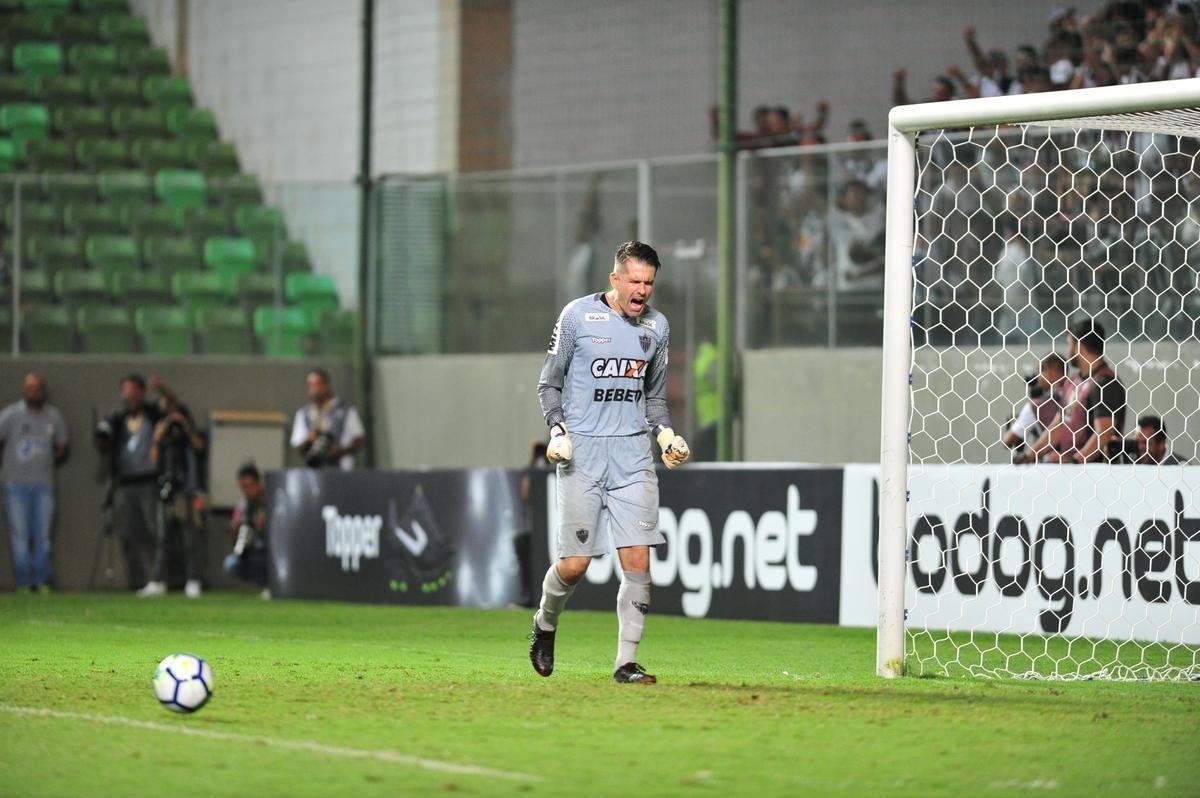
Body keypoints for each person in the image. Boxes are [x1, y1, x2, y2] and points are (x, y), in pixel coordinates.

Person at [530, 240, 690, 685]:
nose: (642, 291)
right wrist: (558, 431)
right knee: (575, 565)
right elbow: (549, 385)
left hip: (632, 456)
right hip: (582, 454)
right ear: (614, 279)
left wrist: (665, 435)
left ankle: (626, 663)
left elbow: (654, 397)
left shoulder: (657, 327)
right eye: (634, 281)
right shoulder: (577, 317)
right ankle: (545, 622)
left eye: (649, 283)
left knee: (638, 560)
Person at [137, 376, 207, 599]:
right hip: (165, 487)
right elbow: (152, 460)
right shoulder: (161, 431)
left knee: (189, 537)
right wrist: (158, 436)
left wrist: (184, 426)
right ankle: (158, 580)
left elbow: (199, 447)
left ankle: (193, 580)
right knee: (163, 536)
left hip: (185, 488)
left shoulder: (186, 430)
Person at [95, 374, 164, 590]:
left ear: (142, 392)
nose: (130, 394)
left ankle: (159, 579)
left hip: (149, 481)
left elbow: (171, 412)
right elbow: (102, 444)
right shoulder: (117, 418)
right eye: (126, 389)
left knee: (154, 531)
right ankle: (136, 581)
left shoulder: (153, 414)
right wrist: (102, 435)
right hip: (124, 483)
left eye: (134, 389)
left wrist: (163, 390)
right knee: (127, 533)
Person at [0, 373, 68, 592]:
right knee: (19, 536)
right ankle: (24, 582)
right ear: (24, 390)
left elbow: (61, 446)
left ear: (43, 390)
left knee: (43, 536)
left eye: (37, 387)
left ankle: (43, 581)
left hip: (44, 484)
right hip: (15, 484)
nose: (34, 391)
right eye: (30, 388)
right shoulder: (11, 415)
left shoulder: (53, 416)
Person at [1026, 321, 1126, 463]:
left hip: (1094, 476)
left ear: (1079, 346)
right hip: (1071, 474)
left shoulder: (1105, 383)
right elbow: (1059, 426)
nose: (1067, 351)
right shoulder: (1072, 382)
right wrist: (1030, 455)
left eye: (1069, 344)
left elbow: (1103, 432)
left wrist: (1075, 461)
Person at [290, 369, 365, 470]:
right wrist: (309, 440)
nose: (316, 389)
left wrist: (338, 451)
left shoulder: (345, 410)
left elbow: (358, 439)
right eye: (311, 385)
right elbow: (298, 445)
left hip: (342, 469)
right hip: (314, 470)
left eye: (318, 384)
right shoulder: (303, 413)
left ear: (326, 385)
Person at [1002, 353, 1071, 455]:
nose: (1037, 379)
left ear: (1049, 372)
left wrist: (1015, 423)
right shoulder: (1076, 393)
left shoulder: (1037, 405)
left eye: (1039, 373)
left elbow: (1008, 441)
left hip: (1050, 466)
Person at [224, 463, 271, 598]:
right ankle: (266, 584)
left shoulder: (272, 500)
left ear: (258, 483)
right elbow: (235, 546)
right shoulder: (242, 507)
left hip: (273, 551)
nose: (247, 490)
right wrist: (235, 529)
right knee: (231, 563)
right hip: (255, 552)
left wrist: (266, 525)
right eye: (243, 487)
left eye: (250, 485)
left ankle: (274, 584)